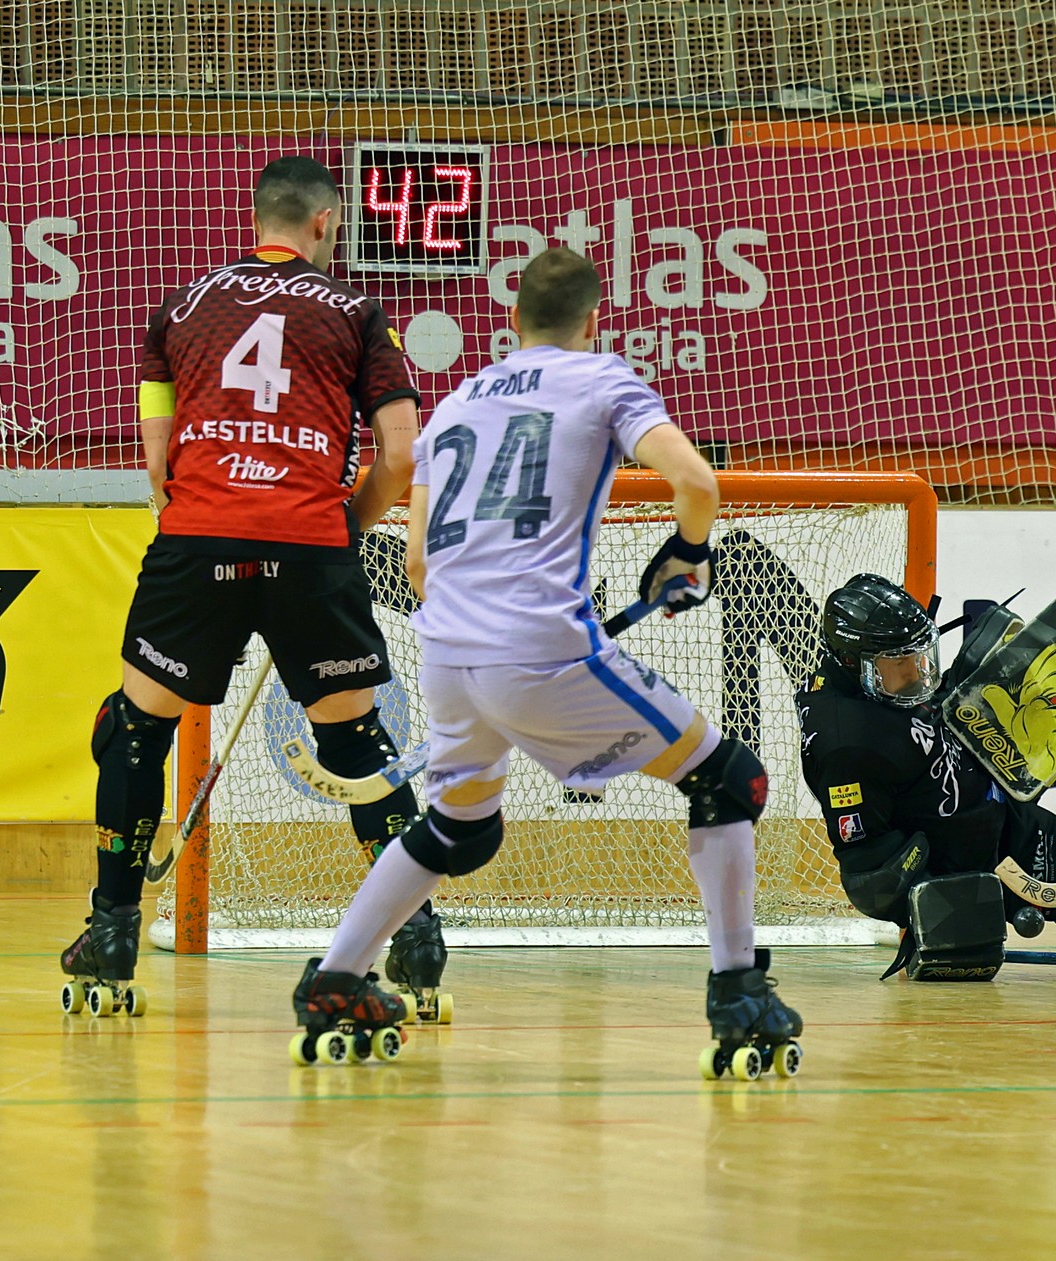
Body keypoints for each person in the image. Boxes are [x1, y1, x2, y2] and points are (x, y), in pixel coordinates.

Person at [292, 247, 801, 1078]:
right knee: (729, 781)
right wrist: (687, 551)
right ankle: (740, 994)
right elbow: (697, 483)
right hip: (539, 648)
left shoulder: (456, 401)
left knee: (457, 829)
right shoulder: (604, 381)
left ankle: (334, 981)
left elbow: (416, 562)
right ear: (595, 320)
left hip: (446, 651)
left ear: (511, 320)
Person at [61, 154, 437, 1013]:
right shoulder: (357, 312)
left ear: (256, 216)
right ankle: (417, 937)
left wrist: (195, 502)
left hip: (200, 541)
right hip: (310, 547)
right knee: (357, 744)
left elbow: (158, 459)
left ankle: (112, 929)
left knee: (133, 731)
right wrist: (345, 527)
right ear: (324, 222)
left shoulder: (181, 306)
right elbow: (402, 454)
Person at [798, 574, 1056, 977]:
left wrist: (955, 689)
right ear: (852, 662)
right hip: (980, 863)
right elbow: (871, 874)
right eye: (900, 664)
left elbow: (911, 731)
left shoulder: (872, 689)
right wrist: (949, 913)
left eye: (919, 657)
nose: (915, 673)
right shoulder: (847, 745)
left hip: (991, 808)